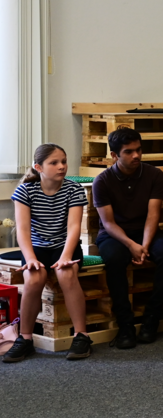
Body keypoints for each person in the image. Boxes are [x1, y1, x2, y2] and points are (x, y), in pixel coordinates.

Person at [92, 127, 163, 349]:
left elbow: (153, 216)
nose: (136, 156)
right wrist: (132, 245)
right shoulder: (101, 181)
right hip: (114, 235)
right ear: (114, 155)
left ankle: (151, 319)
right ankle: (125, 326)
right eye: (129, 152)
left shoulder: (154, 175)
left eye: (139, 150)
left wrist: (144, 245)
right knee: (114, 259)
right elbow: (109, 223)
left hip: (146, 232)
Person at [3, 144, 92, 362]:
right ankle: (24, 339)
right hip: (36, 247)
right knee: (34, 278)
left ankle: (82, 336)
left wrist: (65, 257)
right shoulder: (25, 191)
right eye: (54, 163)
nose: (61, 166)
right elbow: (22, 230)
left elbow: (73, 228)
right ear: (38, 167)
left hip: (65, 245)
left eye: (63, 161)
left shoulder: (73, 189)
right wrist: (31, 258)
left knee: (66, 274)